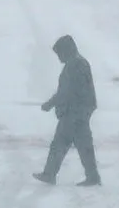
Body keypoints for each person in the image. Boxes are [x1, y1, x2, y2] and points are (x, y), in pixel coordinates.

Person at [33, 35, 102, 187]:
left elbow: (66, 91)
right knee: (81, 145)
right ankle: (92, 176)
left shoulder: (75, 65)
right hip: (79, 111)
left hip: (75, 112)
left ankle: (50, 174)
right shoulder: (78, 63)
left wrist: (50, 104)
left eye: (59, 53)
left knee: (60, 143)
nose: (58, 57)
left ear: (66, 50)